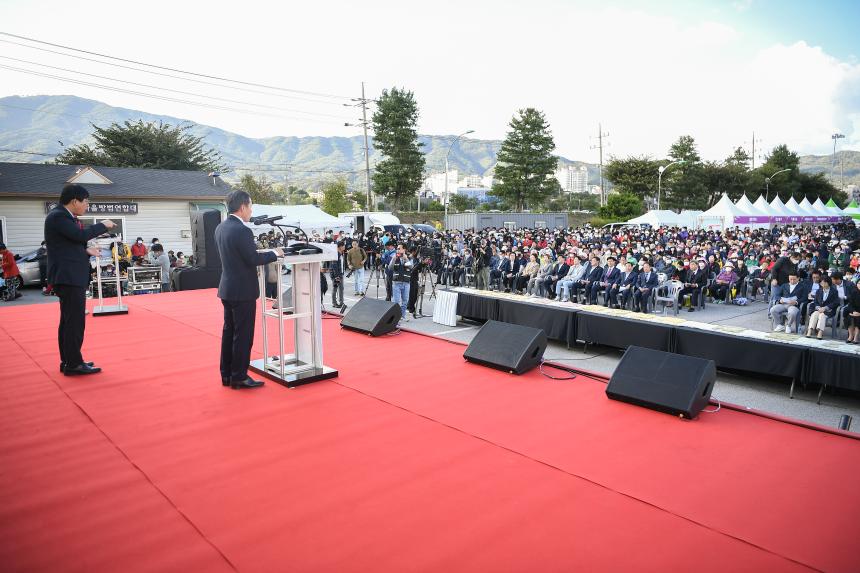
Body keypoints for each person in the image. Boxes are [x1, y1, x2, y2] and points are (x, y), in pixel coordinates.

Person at [44, 184, 115, 375]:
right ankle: (73, 363)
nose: (87, 205)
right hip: (69, 277)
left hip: (68, 275)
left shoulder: (61, 216)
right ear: (75, 200)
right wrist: (103, 225)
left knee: (68, 321)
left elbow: (68, 243)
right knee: (74, 322)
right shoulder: (59, 216)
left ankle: (69, 359)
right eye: (86, 201)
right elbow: (79, 235)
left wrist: (86, 250)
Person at [215, 190, 283, 390]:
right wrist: (274, 253)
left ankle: (226, 374)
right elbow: (252, 259)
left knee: (229, 333)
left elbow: (238, 255)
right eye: (251, 206)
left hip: (227, 287)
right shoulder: (242, 230)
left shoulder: (221, 227)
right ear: (243, 207)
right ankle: (240, 376)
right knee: (243, 335)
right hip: (242, 290)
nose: (251, 210)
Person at [805, 275, 840, 340]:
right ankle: (810, 330)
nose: (821, 283)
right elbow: (815, 301)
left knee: (822, 315)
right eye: (821, 282)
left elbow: (836, 302)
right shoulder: (819, 291)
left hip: (828, 310)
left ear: (828, 283)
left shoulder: (834, 291)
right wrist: (818, 308)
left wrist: (825, 308)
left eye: (823, 282)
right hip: (819, 309)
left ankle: (820, 332)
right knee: (814, 314)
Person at [388, 243, 413, 323]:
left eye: (399, 248)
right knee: (396, 301)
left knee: (405, 301)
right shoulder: (395, 257)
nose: (398, 250)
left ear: (404, 249)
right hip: (396, 283)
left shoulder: (409, 258)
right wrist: (394, 259)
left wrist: (406, 259)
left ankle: (402, 316)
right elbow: (390, 268)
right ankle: (395, 318)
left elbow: (411, 267)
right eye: (397, 248)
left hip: (406, 283)